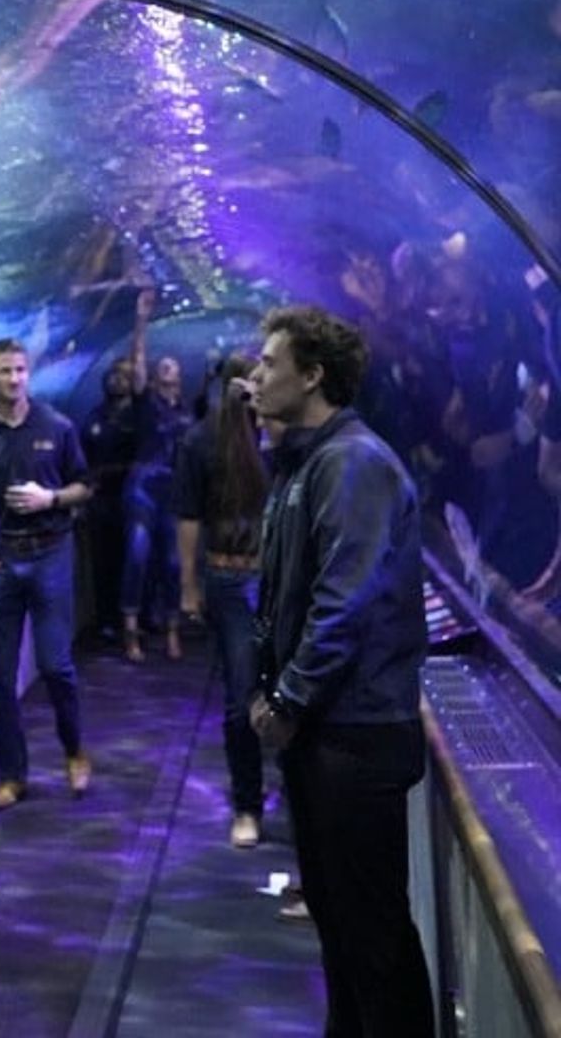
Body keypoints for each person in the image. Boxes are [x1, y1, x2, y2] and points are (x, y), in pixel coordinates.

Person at [248, 304, 434, 1038]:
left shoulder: (352, 463)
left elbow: (342, 603)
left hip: (354, 734)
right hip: (329, 733)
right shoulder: (309, 460)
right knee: (340, 921)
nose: (255, 374)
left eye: (269, 362)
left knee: (373, 934)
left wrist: (287, 698)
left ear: (313, 374)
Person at [0, 338, 93, 812]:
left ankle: (75, 750)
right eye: (5, 371)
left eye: (20, 370)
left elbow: (85, 486)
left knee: (56, 664)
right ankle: (12, 775)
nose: (14, 378)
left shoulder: (57, 427)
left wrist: (51, 499)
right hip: (0, 560)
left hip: (50, 553)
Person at [173, 353, 267, 849]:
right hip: (229, 577)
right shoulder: (200, 440)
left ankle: (296, 804)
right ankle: (246, 803)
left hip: (278, 575)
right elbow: (188, 517)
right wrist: (189, 585)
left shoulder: (280, 436)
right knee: (240, 699)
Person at [120, 288, 190, 663]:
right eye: (159, 366)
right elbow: (138, 362)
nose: (164, 367)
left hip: (172, 492)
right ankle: (131, 633)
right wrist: (141, 321)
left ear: (178, 376)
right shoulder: (146, 402)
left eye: (171, 365)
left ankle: (172, 632)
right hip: (143, 489)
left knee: (173, 563)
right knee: (137, 556)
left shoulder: (186, 413)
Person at [78, 356, 139, 640]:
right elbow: (82, 459)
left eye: (122, 376)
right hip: (101, 500)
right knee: (103, 561)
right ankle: (105, 619)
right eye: (112, 375)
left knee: (133, 559)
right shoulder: (94, 417)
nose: (116, 380)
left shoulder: (139, 418)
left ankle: (135, 616)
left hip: (133, 499)